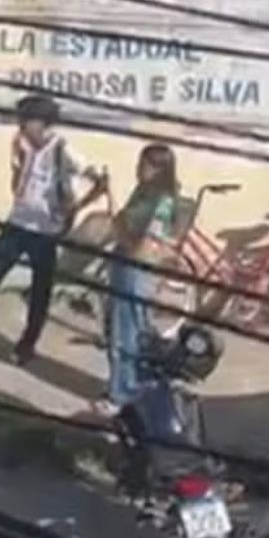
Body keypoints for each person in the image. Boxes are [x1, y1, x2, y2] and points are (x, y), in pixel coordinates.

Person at [0, 95, 107, 365]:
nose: (21, 125)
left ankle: (26, 345)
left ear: (43, 123)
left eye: (27, 120)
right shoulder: (20, 145)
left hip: (45, 231)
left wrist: (74, 207)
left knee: (40, 289)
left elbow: (100, 182)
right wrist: (21, 160)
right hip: (18, 222)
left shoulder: (63, 150)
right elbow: (17, 188)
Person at [99, 144, 179, 414]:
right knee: (123, 329)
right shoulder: (144, 192)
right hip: (125, 262)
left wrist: (123, 232)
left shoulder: (161, 201)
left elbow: (138, 243)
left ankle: (121, 395)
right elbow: (122, 222)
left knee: (126, 333)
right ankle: (127, 386)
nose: (137, 169)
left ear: (159, 169)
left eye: (143, 165)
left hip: (135, 268)